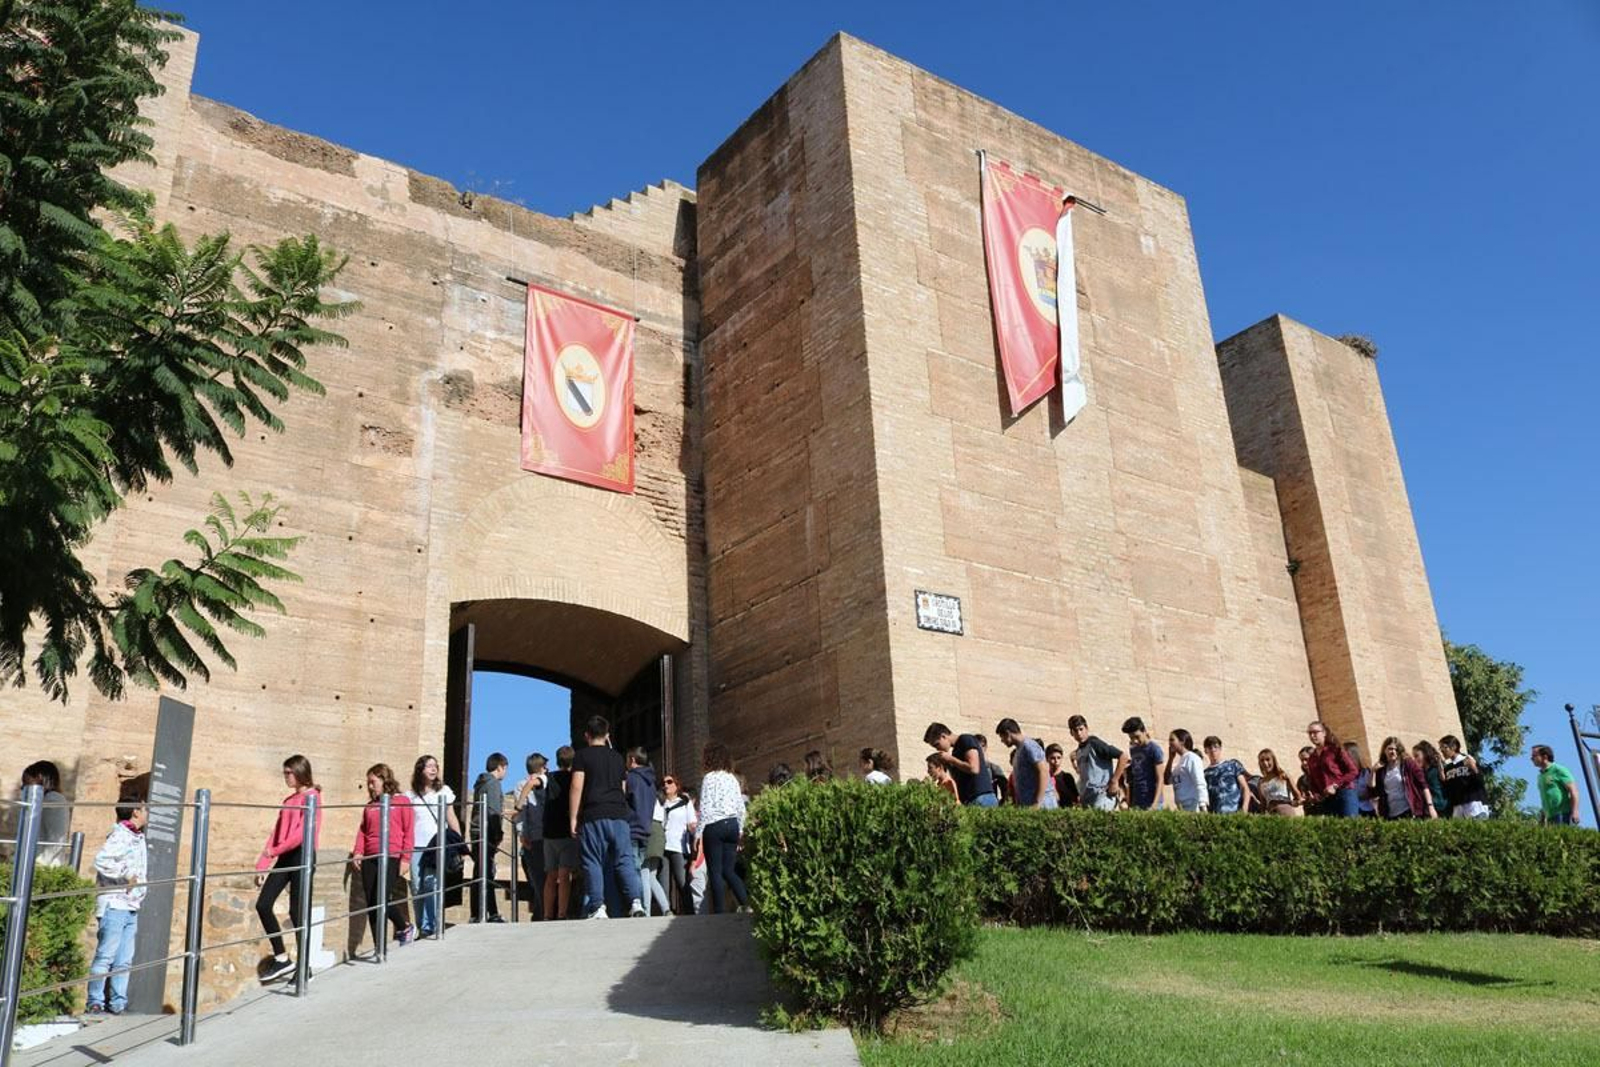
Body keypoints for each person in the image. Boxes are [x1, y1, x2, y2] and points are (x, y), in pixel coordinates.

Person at [254, 755, 322, 982]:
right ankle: (282, 958)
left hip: (302, 855)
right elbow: (277, 833)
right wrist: (263, 863)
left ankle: (304, 967)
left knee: (297, 911)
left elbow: (300, 835)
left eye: (288, 773)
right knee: (263, 904)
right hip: (284, 856)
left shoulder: (313, 797)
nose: (285, 777)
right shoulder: (288, 801)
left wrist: (274, 852)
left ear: (300, 772)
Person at [569, 716, 644, 919]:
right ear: (607, 735)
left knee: (593, 860)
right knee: (624, 860)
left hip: (594, 814)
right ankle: (635, 902)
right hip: (619, 814)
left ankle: (598, 906)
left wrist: (574, 817)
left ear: (586, 735)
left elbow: (577, 786)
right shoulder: (618, 758)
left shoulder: (582, 757)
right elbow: (622, 787)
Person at [86, 800, 147, 1015]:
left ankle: (119, 1003)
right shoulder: (120, 834)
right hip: (114, 903)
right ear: (135, 812)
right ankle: (95, 1001)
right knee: (106, 956)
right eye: (145, 809)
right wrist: (125, 876)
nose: (147, 813)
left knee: (124, 959)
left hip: (130, 905)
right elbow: (101, 860)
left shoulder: (136, 836)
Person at [350, 763, 415, 948]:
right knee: (372, 902)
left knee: (381, 899)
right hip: (370, 857)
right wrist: (358, 852)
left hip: (392, 856)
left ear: (384, 779)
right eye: (368, 783)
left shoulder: (402, 801)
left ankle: (405, 927)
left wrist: (406, 858)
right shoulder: (370, 806)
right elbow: (362, 831)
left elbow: (408, 831)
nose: (370, 786)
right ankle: (379, 946)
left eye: (373, 782)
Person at [405, 754, 460, 937]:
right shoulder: (410, 795)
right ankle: (422, 925)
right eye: (429, 766)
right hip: (416, 845)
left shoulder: (444, 791)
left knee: (432, 883)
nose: (433, 769)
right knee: (417, 886)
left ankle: (433, 924)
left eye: (435, 766)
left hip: (436, 844)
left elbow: (450, 816)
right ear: (420, 769)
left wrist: (459, 841)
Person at [696, 741, 749, 914]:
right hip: (732, 824)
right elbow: (740, 807)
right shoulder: (732, 778)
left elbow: (704, 808)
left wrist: (698, 834)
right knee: (729, 870)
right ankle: (746, 903)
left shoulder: (709, 778)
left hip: (714, 826)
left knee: (715, 872)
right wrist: (740, 830)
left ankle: (718, 913)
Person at [624, 748, 671, 916]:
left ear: (632, 760)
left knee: (640, 872)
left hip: (636, 828)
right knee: (648, 874)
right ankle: (664, 908)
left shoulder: (632, 779)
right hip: (648, 830)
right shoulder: (650, 783)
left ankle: (644, 910)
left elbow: (629, 800)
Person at [470, 753, 508, 923]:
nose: (505, 773)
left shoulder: (481, 783)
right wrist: (498, 833)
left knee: (480, 871)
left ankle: (477, 912)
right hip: (486, 832)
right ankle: (490, 913)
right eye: (505, 769)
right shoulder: (493, 784)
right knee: (486, 873)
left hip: (477, 831)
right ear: (500, 767)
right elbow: (492, 811)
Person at [542, 746, 578, 920]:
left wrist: (519, 804)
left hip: (549, 831)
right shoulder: (574, 778)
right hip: (566, 831)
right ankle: (562, 913)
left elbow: (533, 782)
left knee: (550, 875)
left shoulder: (549, 778)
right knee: (565, 876)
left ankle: (548, 914)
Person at [923, 723, 997, 807]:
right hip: (970, 800)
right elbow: (960, 777)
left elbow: (974, 768)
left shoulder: (966, 740)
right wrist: (949, 765)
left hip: (980, 796)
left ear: (943, 736)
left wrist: (950, 759)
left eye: (937, 744)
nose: (937, 748)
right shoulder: (956, 751)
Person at [513, 753, 548, 919]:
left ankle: (543, 912)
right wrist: (522, 834)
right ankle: (544, 913)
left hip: (536, 836)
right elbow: (522, 811)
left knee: (539, 878)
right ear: (541, 768)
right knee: (542, 878)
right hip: (539, 836)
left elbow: (520, 812)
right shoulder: (526, 785)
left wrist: (521, 833)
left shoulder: (521, 785)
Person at [1303, 722, 1362, 817]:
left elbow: (1353, 771)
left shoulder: (1335, 749)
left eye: (1315, 732)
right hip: (1327, 799)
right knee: (1334, 828)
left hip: (1344, 793)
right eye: (1310, 733)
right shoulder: (1312, 758)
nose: (1312, 736)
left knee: (1349, 825)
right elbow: (1313, 781)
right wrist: (1315, 794)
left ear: (1324, 733)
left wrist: (1335, 785)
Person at [1068, 716, 1125, 811]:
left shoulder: (1095, 744)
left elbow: (1123, 756)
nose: (1079, 733)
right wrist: (1073, 763)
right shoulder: (1078, 751)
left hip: (1102, 796)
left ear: (1087, 728)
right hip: (1087, 799)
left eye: (1081, 729)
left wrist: (1114, 781)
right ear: (1071, 733)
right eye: (1075, 731)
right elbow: (1086, 773)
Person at [1371, 736, 1435, 820]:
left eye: (1396, 749)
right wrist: (1372, 772)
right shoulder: (1381, 771)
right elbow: (1374, 792)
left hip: (1409, 811)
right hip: (1390, 815)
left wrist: (1430, 806)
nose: (1393, 752)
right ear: (1384, 750)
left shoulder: (1408, 764)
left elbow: (1423, 785)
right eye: (1390, 749)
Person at [996, 718, 1055, 808]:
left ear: (1008, 733)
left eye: (1002, 737)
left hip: (1042, 805)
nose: (1002, 741)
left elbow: (1043, 771)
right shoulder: (1019, 749)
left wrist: (1037, 802)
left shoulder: (1029, 745)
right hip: (1028, 804)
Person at [21, 760, 71, 866]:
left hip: (45, 866)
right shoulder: (45, 800)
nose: (23, 787)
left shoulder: (53, 799)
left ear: (39, 777)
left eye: (26, 783)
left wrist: (41, 863)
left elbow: (56, 838)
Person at [661, 774, 697, 913]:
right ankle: (666, 912)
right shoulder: (661, 803)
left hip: (678, 846)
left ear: (677, 785)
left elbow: (691, 823)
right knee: (664, 883)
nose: (666, 785)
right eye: (663, 782)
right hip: (664, 846)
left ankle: (690, 913)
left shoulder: (684, 801)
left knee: (682, 881)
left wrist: (696, 835)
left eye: (669, 782)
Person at [1438, 735, 1490, 819]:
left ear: (1454, 747)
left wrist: (1473, 767)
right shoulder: (1448, 767)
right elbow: (1447, 787)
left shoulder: (1467, 760)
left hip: (1473, 803)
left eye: (1444, 747)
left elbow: (1480, 780)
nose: (1442, 751)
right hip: (1458, 806)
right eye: (1440, 748)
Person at [1121, 717, 1165, 810]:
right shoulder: (1133, 749)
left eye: (1137, 737)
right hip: (1137, 800)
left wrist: (1155, 804)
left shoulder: (1154, 749)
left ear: (1144, 731)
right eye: (1132, 738)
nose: (1135, 741)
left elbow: (1160, 778)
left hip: (1151, 801)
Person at [1532, 745, 1580, 826]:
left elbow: (1574, 791)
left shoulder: (1559, 770)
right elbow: (1546, 798)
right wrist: (1542, 818)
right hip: (1550, 817)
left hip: (1563, 814)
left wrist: (1575, 811)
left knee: (1561, 838)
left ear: (1545, 757)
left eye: (1534, 756)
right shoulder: (1540, 776)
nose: (1532, 759)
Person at [1202, 736, 1249, 814]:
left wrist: (1244, 808)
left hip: (1235, 813)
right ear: (1206, 751)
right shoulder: (1205, 774)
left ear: (1220, 749)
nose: (1213, 750)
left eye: (1215, 747)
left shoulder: (1233, 765)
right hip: (1216, 816)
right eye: (1210, 748)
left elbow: (1245, 787)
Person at [1165, 730, 1208, 812]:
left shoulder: (1192, 758)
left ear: (1182, 741)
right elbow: (1167, 780)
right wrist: (1170, 759)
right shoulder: (1179, 764)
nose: (1169, 743)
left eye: (1172, 740)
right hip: (1181, 807)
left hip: (1193, 806)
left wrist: (1203, 806)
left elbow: (1199, 782)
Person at [1256, 750, 1303, 816]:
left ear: (1273, 760)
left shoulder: (1283, 775)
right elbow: (1263, 805)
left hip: (1285, 810)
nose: (1265, 763)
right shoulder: (1260, 783)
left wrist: (1289, 780)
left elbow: (1298, 796)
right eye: (1262, 760)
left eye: (1268, 759)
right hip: (1271, 814)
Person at [1412, 740, 1451, 819]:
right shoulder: (1420, 773)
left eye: (1417, 756)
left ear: (1425, 754)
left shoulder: (1438, 768)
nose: (1415, 760)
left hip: (1444, 809)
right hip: (1429, 811)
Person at [1345, 742, 1377, 818]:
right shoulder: (1344, 774)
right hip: (1351, 811)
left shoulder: (1366, 772)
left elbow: (1372, 792)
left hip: (1367, 809)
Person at [976, 734, 1009, 804]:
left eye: (982, 746)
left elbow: (1005, 788)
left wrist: (1003, 803)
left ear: (985, 747)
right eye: (977, 747)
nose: (980, 749)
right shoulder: (968, 767)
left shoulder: (993, 768)